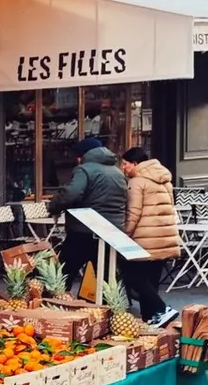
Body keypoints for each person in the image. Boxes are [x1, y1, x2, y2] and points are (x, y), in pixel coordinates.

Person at [47, 137, 128, 293]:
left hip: (85, 229)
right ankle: (110, 305)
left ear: (83, 155)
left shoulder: (84, 170)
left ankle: (55, 302)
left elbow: (70, 194)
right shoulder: (117, 172)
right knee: (106, 275)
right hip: (112, 232)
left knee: (63, 272)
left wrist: (54, 206)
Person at [120, 146, 180, 323]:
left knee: (131, 275)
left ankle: (162, 309)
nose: (123, 167)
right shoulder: (165, 180)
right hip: (165, 237)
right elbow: (170, 208)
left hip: (145, 239)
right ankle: (151, 319)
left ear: (135, 163)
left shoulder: (137, 182)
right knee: (152, 281)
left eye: (125, 164)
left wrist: (125, 234)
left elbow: (133, 213)